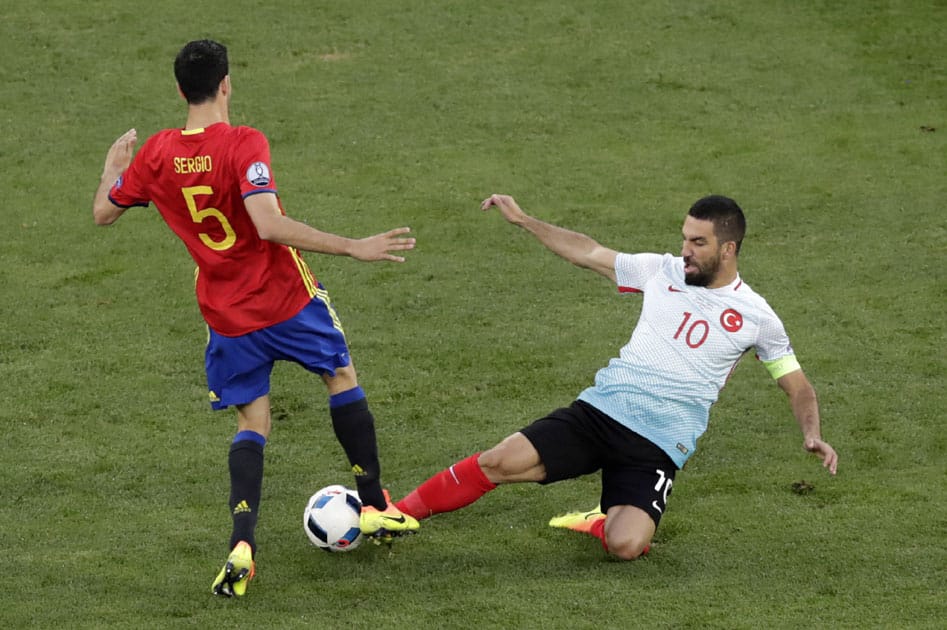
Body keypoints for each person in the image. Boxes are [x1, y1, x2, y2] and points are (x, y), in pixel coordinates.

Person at [91, 39, 420, 597]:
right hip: (287, 300)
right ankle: (373, 505)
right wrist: (353, 245)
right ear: (227, 83)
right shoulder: (244, 143)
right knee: (339, 377)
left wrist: (110, 169)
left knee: (252, 424)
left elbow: (104, 213)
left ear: (179, 90)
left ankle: (241, 543)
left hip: (226, 315)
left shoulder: (155, 155)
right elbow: (267, 224)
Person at [395, 193, 838, 560]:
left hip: (660, 443)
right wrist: (524, 220)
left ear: (728, 249)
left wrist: (812, 433)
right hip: (603, 413)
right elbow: (587, 251)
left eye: (699, 242)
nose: (686, 250)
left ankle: (599, 519)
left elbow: (797, 385)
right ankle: (397, 512)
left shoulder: (758, 318)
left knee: (626, 546)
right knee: (498, 461)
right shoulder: (661, 271)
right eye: (685, 238)